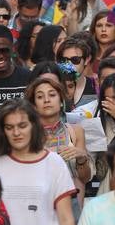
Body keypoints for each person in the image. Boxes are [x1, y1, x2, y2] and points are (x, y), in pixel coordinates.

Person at [0, 99, 76, 225]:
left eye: (22, 126)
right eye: (9, 127)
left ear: (33, 126)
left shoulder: (54, 163)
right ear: (2, 130)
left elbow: (66, 218)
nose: (16, 133)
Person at [26, 75, 92, 213]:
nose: (46, 100)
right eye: (39, 97)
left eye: (52, 95)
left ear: (61, 101)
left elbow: (85, 178)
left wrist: (81, 157)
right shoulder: (27, 135)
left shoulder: (75, 131)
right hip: (38, 207)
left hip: (71, 205)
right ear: (34, 106)